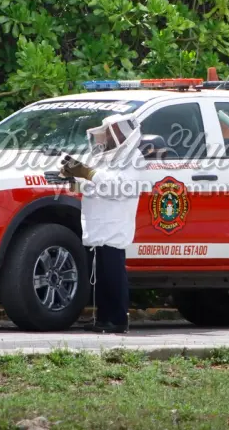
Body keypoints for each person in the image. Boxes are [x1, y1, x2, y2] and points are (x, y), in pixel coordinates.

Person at [59, 113, 142, 333]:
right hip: (100, 222)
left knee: (113, 273)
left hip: (115, 224)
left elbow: (120, 188)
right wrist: (73, 180)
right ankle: (103, 318)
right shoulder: (106, 158)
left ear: (120, 132)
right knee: (101, 274)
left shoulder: (134, 158)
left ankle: (117, 319)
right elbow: (94, 186)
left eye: (108, 132)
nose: (104, 137)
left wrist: (87, 172)